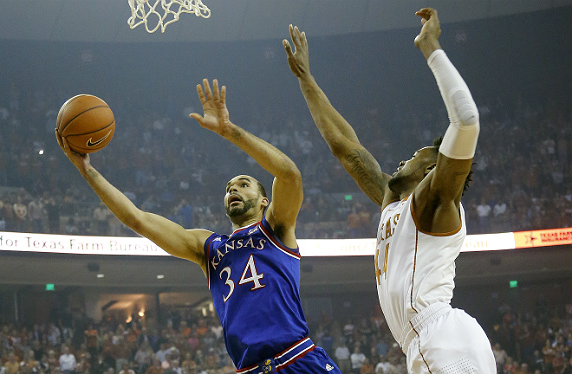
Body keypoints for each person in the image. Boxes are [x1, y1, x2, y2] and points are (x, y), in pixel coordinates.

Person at [57, 78, 341, 374]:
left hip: (299, 358)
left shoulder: (276, 229)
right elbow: (136, 218)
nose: (233, 190)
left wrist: (229, 131)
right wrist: (87, 171)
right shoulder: (209, 248)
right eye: (229, 187)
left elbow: (290, 176)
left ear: (263, 201)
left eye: (243, 185)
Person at [284, 8, 495, 374]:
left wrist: (431, 48)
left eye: (416, 156)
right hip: (423, 341)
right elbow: (345, 147)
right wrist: (305, 78)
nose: (405, 159)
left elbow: (467, 121)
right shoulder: (394, 201)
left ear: (432, 171)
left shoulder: (435, 203)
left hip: (441, 337)